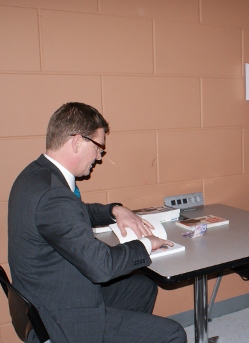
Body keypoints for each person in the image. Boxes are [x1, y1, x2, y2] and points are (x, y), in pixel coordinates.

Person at [8, 102, 187, 343]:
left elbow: (74, 213)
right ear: (77, 141)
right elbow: (101, 268)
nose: (99, 156)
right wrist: (146, 244)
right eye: (98, 147)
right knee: (173, 335)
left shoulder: (36, 175)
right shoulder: (54, 196)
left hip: (48, 293)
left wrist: (114, 210)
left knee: (142, 287)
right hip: (63, 318)